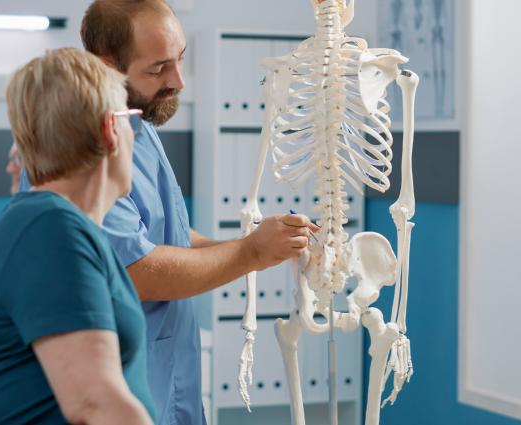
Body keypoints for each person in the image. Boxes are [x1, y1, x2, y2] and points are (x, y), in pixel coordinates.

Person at [19, 1, 318, 423]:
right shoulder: (82, 147)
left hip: (169, 383)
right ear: (107, 67)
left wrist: (261, 248)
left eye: (180, 60)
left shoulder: (140, 124)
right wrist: (249, 253)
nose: (177, 80)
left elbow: (166, 234)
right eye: (158, 69)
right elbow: (135, 268)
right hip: (121, 391)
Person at [0, 47, 155, 425]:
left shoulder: (58, 226)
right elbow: (95, 404)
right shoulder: (52, 229)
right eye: (130, 119)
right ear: (110, 129)